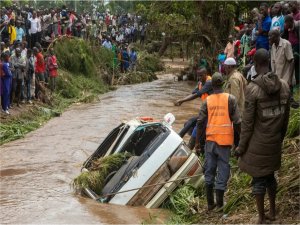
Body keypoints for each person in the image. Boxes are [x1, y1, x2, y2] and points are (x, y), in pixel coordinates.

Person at [235, 48, 290, 224]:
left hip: (257, 145)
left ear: (256, 64)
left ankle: (260, 218)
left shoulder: (252, 89)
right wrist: (279, 138)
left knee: (258, 180)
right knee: (270, 177)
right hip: (274, 142)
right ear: (270, 61)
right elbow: (286, 119)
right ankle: (272, 213)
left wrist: (241, 147)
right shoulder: (285, 86)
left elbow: (247, 124)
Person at [195, 72, 241, 211]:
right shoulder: (231, 99)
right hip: (225, 142)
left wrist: (198, 142)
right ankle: (220, 204)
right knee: (223, 170)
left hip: (210, 142)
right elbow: (238, 122)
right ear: (222, 84)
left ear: (212, 85)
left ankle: (210, 204)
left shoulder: (207, 101)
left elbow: (200, 123)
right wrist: (240, 141)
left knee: (209, 170)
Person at [284, 15, 299, 86]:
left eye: (286, 22)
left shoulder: (297, 27)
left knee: (295, 62)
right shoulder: (287, 27)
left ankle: (297, 82)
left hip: (297, 47)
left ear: (291, 22)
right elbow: (284, 36)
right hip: (291, 46)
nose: (285, 24)